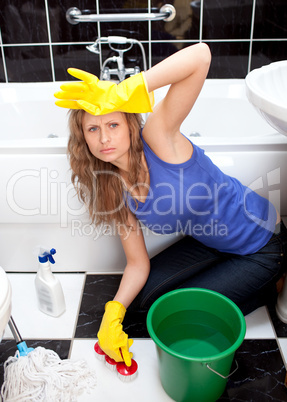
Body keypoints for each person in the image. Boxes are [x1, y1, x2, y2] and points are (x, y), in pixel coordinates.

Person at [54, 43, 287, 367]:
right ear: (84, 139)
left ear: (131, 126)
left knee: (178, 315)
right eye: (93, 128)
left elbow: (201, 56)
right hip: (210, 243)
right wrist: (113, 312)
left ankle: (272, 277)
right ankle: (233, 277)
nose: (104, 138)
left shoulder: (158, 137)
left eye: (113, 124)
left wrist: (131, 86)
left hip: (260, 243)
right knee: (144, 303)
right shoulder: (112, 188)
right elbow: (137, 263)